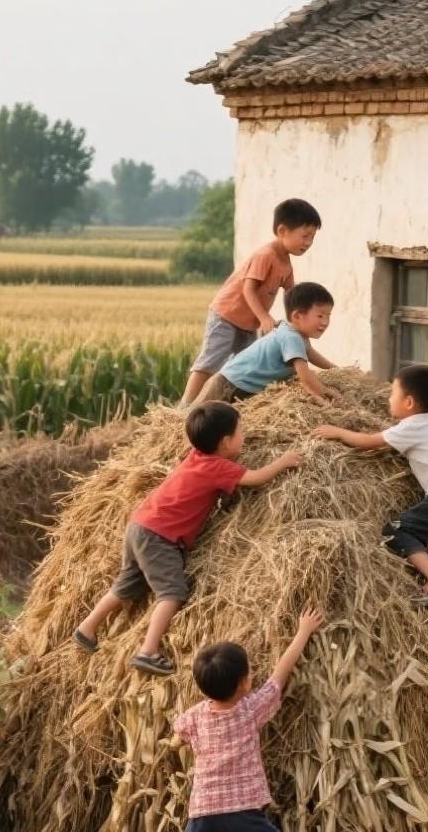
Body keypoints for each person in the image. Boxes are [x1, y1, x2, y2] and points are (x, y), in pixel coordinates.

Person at [122, 607, 324, 832]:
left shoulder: (196, 716)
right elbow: (280, 674)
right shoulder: (250, 710)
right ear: (245, 683)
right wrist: (303, 631)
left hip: (204, 815)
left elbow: (178, 731)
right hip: (244, 813)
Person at [73, 402, 303, 677]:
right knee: (172, 593)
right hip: (160, 537)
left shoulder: (195, 455)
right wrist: (283, 462)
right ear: (226, 442)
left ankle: (86, 628)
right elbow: (255, 478)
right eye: (241, 432)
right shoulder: (218, 466)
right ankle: (148, 651)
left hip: (140, 525)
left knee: (127, 585)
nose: (244, 435)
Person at [312, 363, 428, 654]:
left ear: (409, 402)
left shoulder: (410, 426)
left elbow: (368, 443)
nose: (388, 399)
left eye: (392, 394)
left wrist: (337, 431)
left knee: (397, 529)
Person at [179, 198, 326, 407]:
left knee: (244, 367)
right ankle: (184, 407)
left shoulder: (286, 263)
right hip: (227, 315)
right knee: (209, 362)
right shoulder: (266, 255)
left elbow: (292, 297)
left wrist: (295, 325)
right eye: (305, 236)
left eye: (312, 237)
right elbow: (248, 289)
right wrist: (265, 318)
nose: (308, 242)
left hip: (249, 324)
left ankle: (229, 407)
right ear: (282, 231)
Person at [190, 282, 338, 407]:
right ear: (297, 316)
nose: (325, 322)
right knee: (196, 422)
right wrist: (324, 394)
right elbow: (305, 378)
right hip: (231, 385)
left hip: (235, 381)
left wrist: (334, 369)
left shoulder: (293, 331)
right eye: (320, 316)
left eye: (328, 316)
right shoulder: (291, 338)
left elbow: (310, 353)